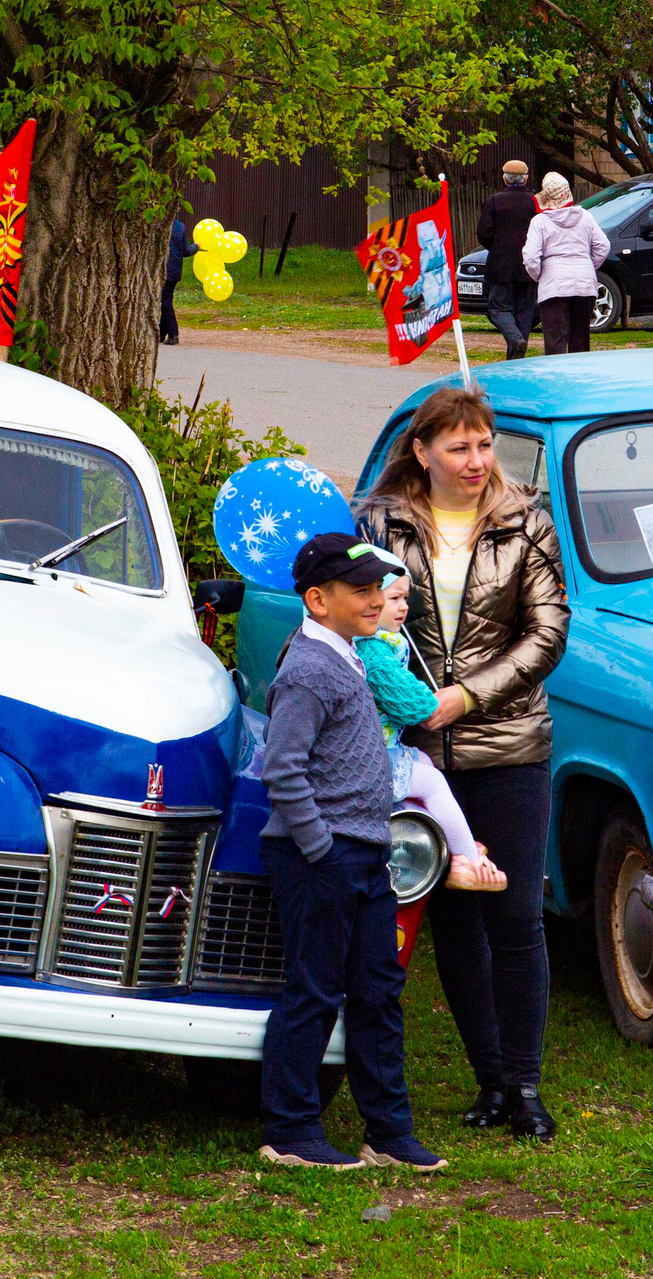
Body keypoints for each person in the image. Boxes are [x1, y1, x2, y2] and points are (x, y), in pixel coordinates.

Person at [354, 387, 570, 1140]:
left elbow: (548, 631)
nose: (477, 461)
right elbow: (355, 616)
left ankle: (526, 1085)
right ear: (422, 452)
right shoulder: (380, 522)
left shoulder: (526, 518)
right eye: (459, 447)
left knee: (514, 915)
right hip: (418, 755)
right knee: (452, 919)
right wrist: (400, 690)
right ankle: (489, 1080)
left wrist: (466, 696)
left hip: (509, 743)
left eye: (484, 444)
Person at [254, 532, 450, 1174]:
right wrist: (320, 849)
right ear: (318, 600)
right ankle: (290, 1131)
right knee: (315, 989)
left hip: (366, 852)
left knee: (378, 990)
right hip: (321, 855)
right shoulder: (309, 668)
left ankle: (388, 1132)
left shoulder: (351, 656)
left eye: (377, 588)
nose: (375, 599)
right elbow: (282, 769)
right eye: (360, 590)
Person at [357, 572, 506, 892]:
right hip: (372, 758)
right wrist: (430, 705)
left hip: (386, 748)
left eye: (405, 598)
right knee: (434, 783)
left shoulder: (382, 641)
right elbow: (403, 698)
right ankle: (466, 861)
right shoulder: (373, 649)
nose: (404, 606)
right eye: (394, 598)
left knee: (423, 761)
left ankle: (456, 839)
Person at [521, 172, 608, 356]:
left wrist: (539, 275)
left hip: (554, 287)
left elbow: (530, 256)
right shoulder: (586, 216)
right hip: (584, 286)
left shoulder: (540, 221)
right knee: (580, 340)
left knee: (555, 340)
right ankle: (580, 373)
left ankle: (557, 374)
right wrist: (588, 267)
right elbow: (603, 246)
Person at [476, 161, 541, 360]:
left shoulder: (494, 201)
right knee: (525, 313)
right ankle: (516, 357)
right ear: (526, 179)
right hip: (528, 267)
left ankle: (515, 340)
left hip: (500, 266)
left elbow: (483, 233)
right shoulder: (535, 202)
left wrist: (498, 248)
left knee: (498, 309)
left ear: (504, 178)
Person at [160, 210, 193, 345]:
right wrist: (196, 246)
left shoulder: (158, 225)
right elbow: (186, 251)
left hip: (161, 269)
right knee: (166, 300)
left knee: (165, 301)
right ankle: (161, 333)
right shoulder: (180, 226)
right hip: (175, 270)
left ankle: (173, 334)